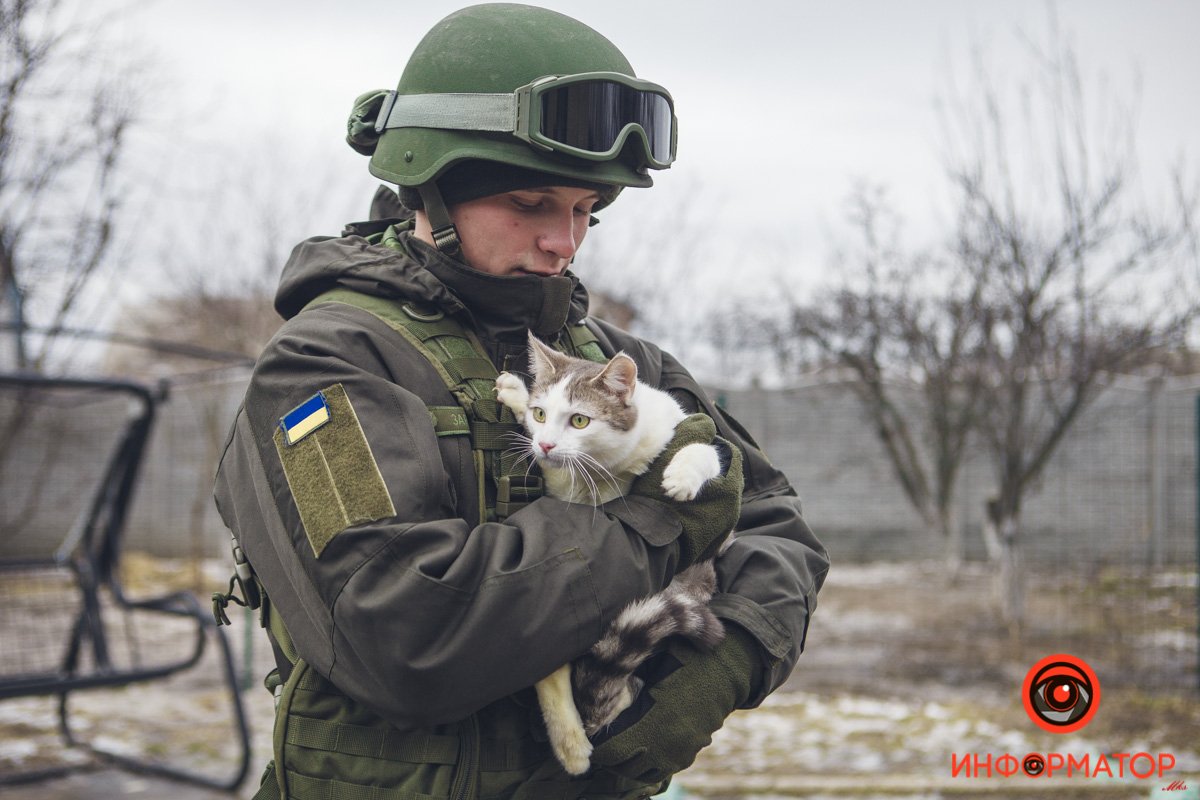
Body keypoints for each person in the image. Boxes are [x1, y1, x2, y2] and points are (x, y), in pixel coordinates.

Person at [213, 4, 829, 799]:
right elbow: (409, 635)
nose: (564, 243)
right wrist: (653, 523)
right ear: (432, 192)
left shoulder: (618, 360)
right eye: (532, 204)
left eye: (584, 211)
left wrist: (732, 656)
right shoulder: (328, 363)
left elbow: (773, 521)